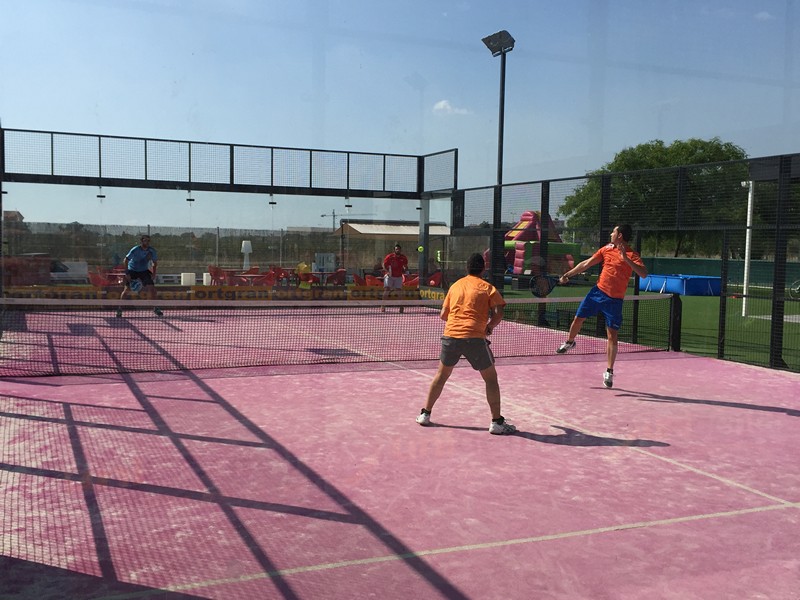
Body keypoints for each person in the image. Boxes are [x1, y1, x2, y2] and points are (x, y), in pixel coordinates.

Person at [416, 253, 516, 435]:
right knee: (491, 379)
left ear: (466, 268)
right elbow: (499, 312)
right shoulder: (488, 288)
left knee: (441, 375)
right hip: (474, 338)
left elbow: (443, 315)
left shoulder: (455, 286)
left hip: (450, 336)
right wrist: (489, 326)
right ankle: (497, 422)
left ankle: (425, 414)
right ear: (483, 269)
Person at [555, 224, 648, 388]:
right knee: (578, 318)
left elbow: (644, 274)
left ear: (620, 235)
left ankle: (609, 372)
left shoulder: (632, 255)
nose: (611, 234)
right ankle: (570, 341)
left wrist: (625, 259)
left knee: (612, 336)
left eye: (614, 232)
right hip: (597, 293)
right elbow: (587, 263)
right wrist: (568, 274)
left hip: (615, 301)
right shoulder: (606, 249)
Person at [118, 235, 162, 316]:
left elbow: (155, 263)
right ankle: (120, 309)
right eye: (145, 240)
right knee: (127, 290)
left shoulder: (152, 251)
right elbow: (125, 260)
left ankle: (156, 308)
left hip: (144, 271)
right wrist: (127, 273)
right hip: (132, 270)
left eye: (148, 241)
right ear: (141, 241)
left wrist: (154, 273)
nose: (147, 242)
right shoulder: (135, 249)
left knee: (152, 289)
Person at [381, 243, 408, 313]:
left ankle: (401, 307)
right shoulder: (389, 257)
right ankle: (383, 306)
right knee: (387, 289)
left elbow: (405, 266)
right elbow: (384, 265)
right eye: (396, 249)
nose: (398, 250)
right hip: (389, 276)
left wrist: (405, 269)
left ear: (400, 250)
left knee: (399, 291)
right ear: (394, 250)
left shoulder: (403, 258)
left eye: (399, 249)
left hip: (398, 277)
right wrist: (387, 271)